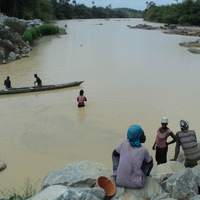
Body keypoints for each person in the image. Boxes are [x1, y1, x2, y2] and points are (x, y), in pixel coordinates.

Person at [112, 124, 153, 189]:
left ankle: (118, 173)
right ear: (138, 137)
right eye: (142, 134)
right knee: (150, 160)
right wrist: (146, 174)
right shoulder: (144, 150)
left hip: (119, 181)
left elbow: (114, 154)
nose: (144, 136)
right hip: (136, 184)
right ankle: (144, 176)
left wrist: (115, 169)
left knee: (119, 154)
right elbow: (149, 163)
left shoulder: (123, 144)